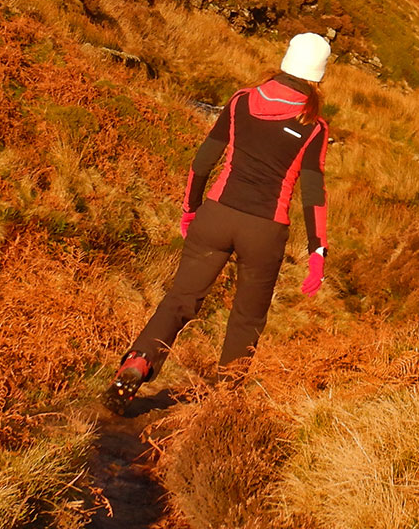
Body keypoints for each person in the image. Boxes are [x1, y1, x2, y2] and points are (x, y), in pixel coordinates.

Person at [104, 32, 333, 412]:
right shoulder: (314, 124)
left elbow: (202, 161)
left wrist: (190, 208)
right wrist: (317, 251)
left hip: (215, 214)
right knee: (246, 319)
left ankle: (138, 361)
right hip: (265, 230)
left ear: (285, 60)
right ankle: (223, 403)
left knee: (180, 299)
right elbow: (313, 192)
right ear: (319, 74)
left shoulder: (242, 100)